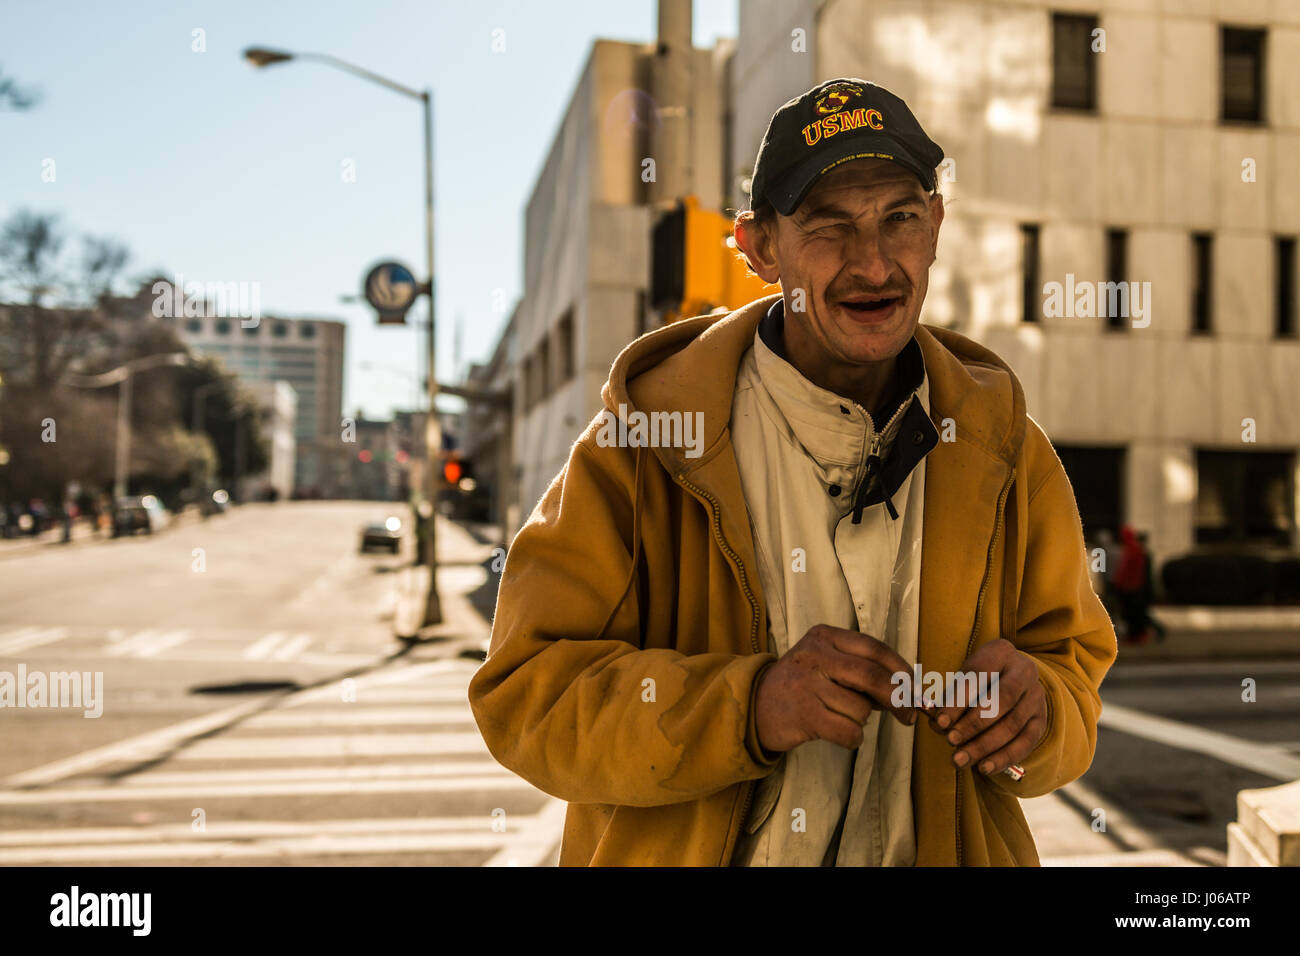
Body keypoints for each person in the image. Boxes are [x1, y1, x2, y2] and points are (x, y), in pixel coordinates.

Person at [469, 78, 1117, 866]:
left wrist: (1037, 713)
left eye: (900, 219)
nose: (873, 263)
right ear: (758, 247)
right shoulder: (642, 448)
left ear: (937, 225)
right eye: (829, 225)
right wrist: (749, 706)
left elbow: (1072, 679)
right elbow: (527, 696)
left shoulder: (1009, 453)